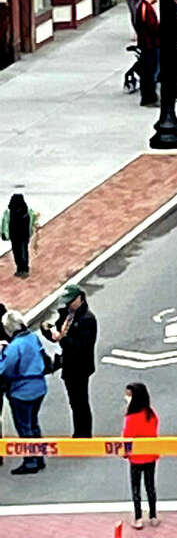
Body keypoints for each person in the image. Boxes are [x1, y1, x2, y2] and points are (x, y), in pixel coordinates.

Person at [0, 309, 48, 474]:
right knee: (33, 423)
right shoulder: (33, 338)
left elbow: (5, 370)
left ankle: (30, 461)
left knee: (24, 427)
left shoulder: (15, 347)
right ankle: (39, 457)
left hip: (22, 391)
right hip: (39, 387)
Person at [123, 381, 160, 529]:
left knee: (136, 488)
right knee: (150, 486)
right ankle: (153, 515)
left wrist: (125, 453)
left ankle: (138, 517)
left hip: (136, 458)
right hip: (150, 455)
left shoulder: (131, 417)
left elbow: (127, 437)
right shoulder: (151, 414)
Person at [1, 189, 37, 279]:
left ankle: (20, 269)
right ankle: (24, 268)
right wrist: (31, 232)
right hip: (24, 235)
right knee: (24, 251)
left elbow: (5, 223)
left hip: (14, 236)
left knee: (17, 252)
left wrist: (4, 234)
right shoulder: (27, 211)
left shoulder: (9, 212)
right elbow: (32, 221)